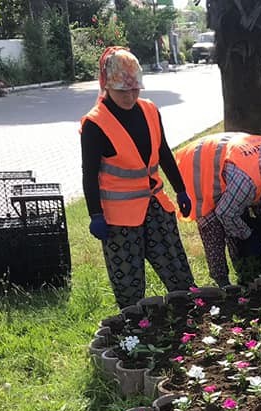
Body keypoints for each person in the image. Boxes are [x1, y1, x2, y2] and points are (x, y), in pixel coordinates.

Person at [80, 46, 195, 309]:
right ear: (106, 85)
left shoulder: (150, 110)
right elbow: (89, 175)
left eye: (135, 90)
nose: (130, 96)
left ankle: (192, 321)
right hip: (119, 219)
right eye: (122, 91)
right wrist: (95, 214)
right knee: (129, 285)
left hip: (156, 205)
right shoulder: (95, 124)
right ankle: (133, 332)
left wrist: (180, 189)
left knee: (178, 272)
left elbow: (163, 152)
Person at [175, 132, 261, 288]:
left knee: (240, 222)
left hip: (229, 162)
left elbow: (258, 195)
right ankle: (222, 282)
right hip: (199, 167)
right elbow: (225, 214)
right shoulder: (246, 181)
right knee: (213, 230)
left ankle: (242, 273)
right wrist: (249, 236)